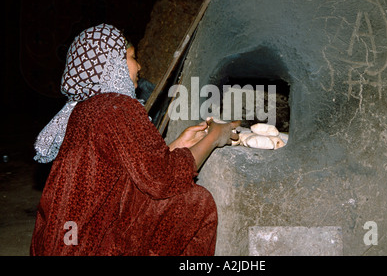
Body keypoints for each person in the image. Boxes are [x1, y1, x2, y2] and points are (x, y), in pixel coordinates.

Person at [30, 23, 239, 256]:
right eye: (132, 57)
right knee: (195, 202)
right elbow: (163, 181)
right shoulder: (118, 108)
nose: (138, 66)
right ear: (112, 65)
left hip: (62, 245)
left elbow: (129, 172)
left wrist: (178, 144)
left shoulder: (86, 109)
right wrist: (213, 138)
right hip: (90, 246)